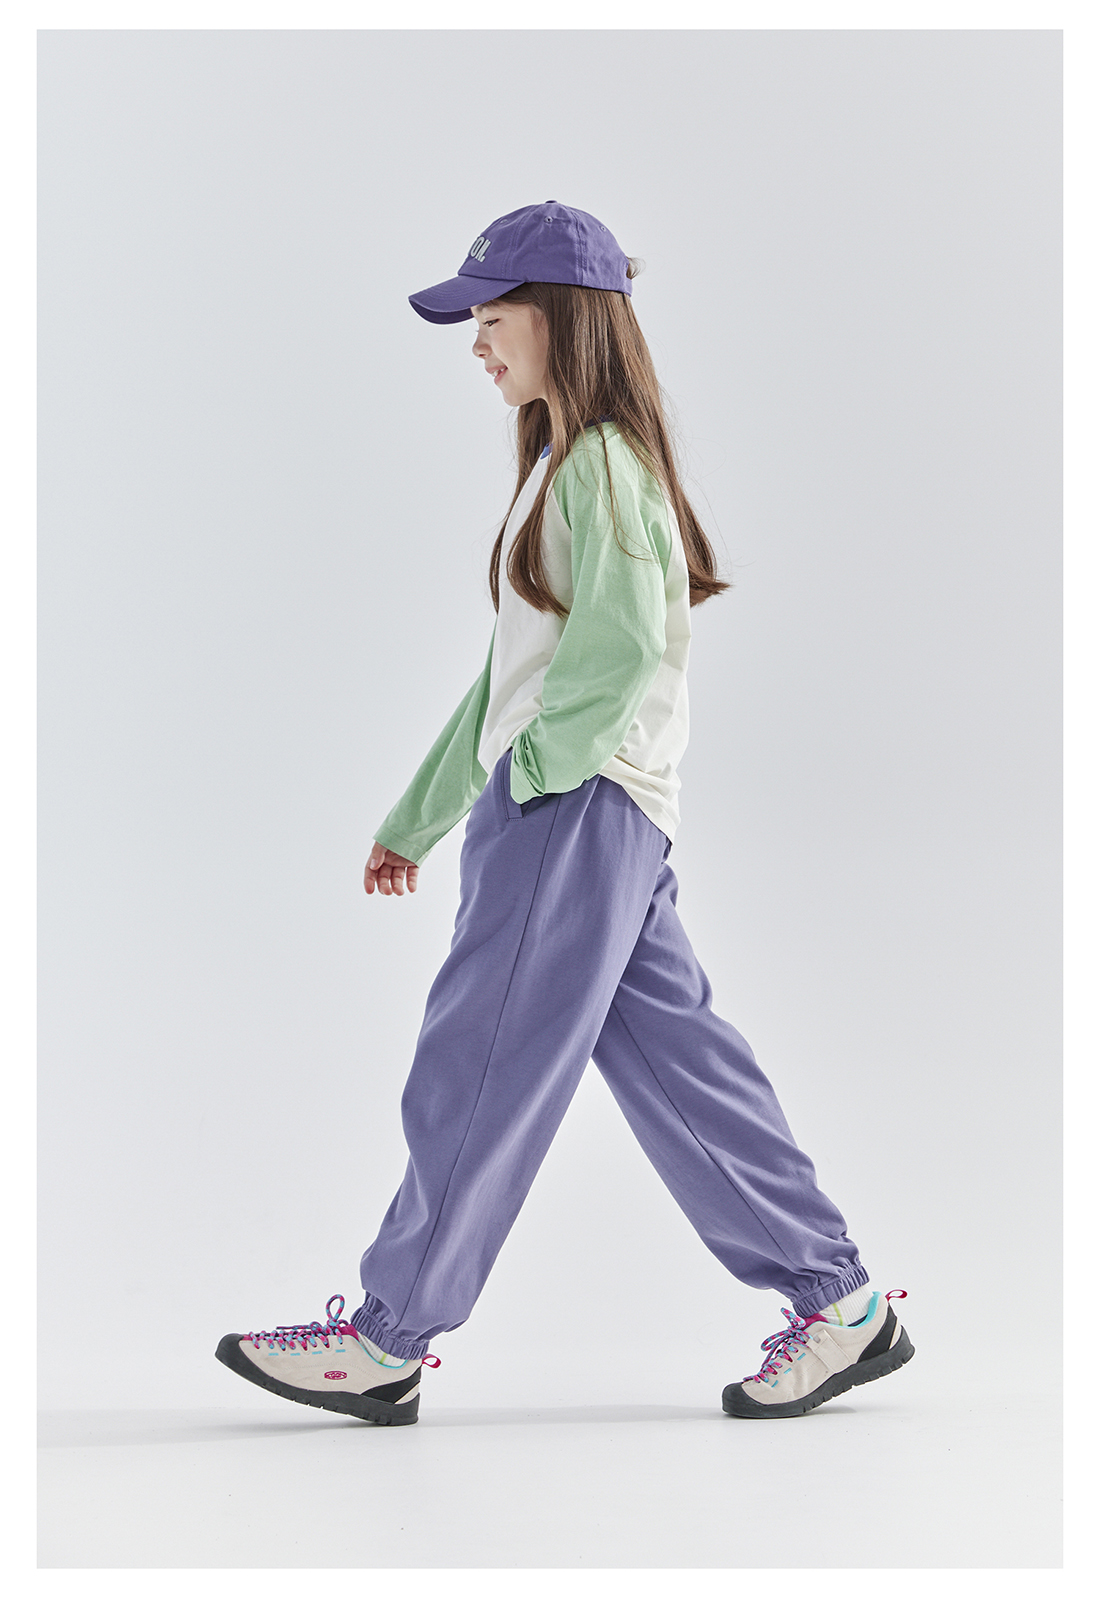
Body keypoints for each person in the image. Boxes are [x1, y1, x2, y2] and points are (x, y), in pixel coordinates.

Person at [215, 201, 915, 1425]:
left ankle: (385, 1338)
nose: (477, 343)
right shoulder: (568, 465)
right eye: (473, 321)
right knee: (683, 1070)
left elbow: (623, 647)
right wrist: (422, 815)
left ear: (565, 320)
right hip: (596, 807)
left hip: (574, 807)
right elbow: (510, 678)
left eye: (495, 317)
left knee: (476, 1058)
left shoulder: (598, 463)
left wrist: (534, 778)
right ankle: (839, 1301)